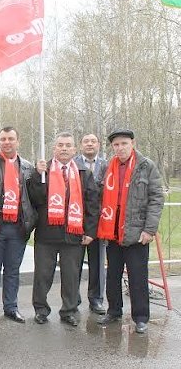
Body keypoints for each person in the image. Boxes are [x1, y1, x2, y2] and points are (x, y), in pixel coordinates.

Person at [28, 132, 100, 327]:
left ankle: (69, 310)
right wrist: (37, 176)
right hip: (47, 233)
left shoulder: (84, 174)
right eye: (60, 145)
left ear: (74, 150)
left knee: (70, 276)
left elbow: (93, 205)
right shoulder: (43, 171)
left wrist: (90, 232)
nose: (64, 148)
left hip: (73, 234)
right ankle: (41, 310)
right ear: (54, 149)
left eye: (68, 145)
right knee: (42, 275)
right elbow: (35, 199)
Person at [96, 129, 164, 334]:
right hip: (113, 233)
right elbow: (100, 197)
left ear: (132, 143)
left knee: (138, 278)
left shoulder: (146, 166)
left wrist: (149, 229)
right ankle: (114, 311)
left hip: (137, 234)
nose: (120, 148)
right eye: (116, 145)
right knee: (113, 276)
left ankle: (141, 317)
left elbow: (156, 199)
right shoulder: (108, 167)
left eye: (124, 143)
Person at [0, 127, 37, 324]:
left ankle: (11, 307)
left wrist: (30, 222)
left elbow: (34, 199)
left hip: (18, 228)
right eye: (3, 139)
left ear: (17, 141)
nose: (7, 142)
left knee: (12, 271)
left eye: (11, 138)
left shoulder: (28, 168)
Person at [73, 133, 108, 314]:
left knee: (97, 263)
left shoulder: (107, 166)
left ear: (99, 145)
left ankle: (96, 300)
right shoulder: (72, 164)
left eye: (93, 141)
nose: (89, 144)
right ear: (80, 145)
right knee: (74, 263)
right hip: (76, 220)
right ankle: (73, 299)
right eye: (86, 141)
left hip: (99, 222)